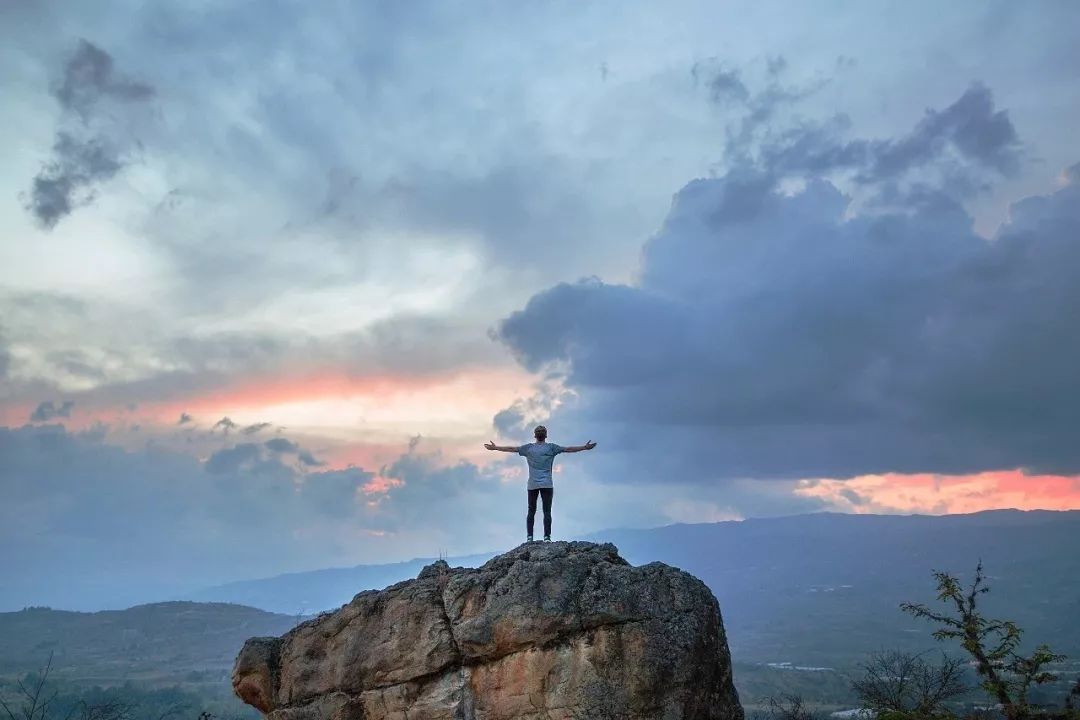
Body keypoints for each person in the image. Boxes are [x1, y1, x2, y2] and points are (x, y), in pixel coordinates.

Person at [485, 425, 596, 543]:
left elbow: (512, 449)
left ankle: (529, 537)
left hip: (532, 485)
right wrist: (584, 447)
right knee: (547, 511)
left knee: (531, 511)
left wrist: (496, 448)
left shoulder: (528, 449)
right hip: (547, 484)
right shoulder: (551, 448)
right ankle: (547, 537)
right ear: (546, 435)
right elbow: (568, 449)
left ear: (535, 435)